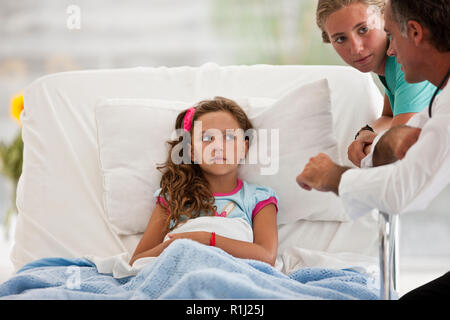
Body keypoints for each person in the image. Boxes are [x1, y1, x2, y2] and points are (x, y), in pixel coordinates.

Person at [298, 0, 450, 299]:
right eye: (340, 39)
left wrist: (333, 176)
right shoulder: (440, 99)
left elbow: (401, 186)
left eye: (390, 34)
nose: (390, 51)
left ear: (415, 33)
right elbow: (397, 132)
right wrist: (374, 137)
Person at [129, 97, 279, 266]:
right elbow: (137, 261)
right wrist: (176, 245)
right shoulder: (173, 198)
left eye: (229, 137)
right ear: (192, 152)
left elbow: (267, 256)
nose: (218, 147)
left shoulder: (258, 198)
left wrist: (207, 239)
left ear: (244, 148)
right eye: (207, 139)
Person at [316, 0, 437, 167]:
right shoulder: (389, 68)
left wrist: (367, 149)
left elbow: (397, 151)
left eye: (363, 29)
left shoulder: (407, 63)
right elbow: (388, 117)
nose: (356, 48)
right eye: (341, 39)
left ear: (386, 18)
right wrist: (365, 134)